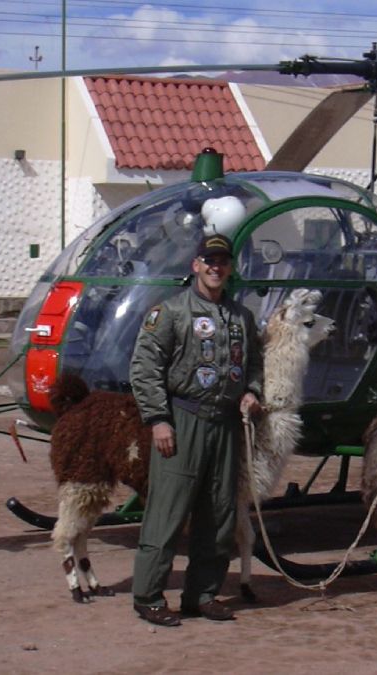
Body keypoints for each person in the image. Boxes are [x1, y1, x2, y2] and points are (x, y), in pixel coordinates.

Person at [128, 233, 263, 627]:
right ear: (196, 265)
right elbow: (145, 368)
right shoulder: (170, 312)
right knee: (168, 513)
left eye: (222, 261)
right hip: (182, 419)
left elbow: (255, 364)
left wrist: (252, 391)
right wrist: (158, 420)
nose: (216, 267)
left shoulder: (241, 317)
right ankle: (149, 596)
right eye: (209, 260)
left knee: (219, 515)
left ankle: (202, 594)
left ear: (230, 267)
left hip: (225, 424)